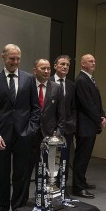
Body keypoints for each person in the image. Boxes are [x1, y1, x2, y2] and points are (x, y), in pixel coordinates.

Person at [0, 44, 41, 211]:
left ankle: (18, 208)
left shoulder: (29, 79)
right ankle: (2, 208)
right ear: (3, 57)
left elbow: (35, 108)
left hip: (23, 136)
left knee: (21, 174)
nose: (15, 62)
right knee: (2, 174)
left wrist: (31, 130)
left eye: (18, 58)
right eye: (12, 58)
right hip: (1, 137)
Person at [73, 54, 106, 199]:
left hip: (90, 124)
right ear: (82, 64)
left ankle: (82, 181)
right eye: (90, 61)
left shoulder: (89, 79)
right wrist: (98, 119)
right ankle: (78, 187)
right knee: (81, 157)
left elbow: (97, 101)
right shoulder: (81, 80)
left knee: (86, 157)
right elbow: (87, 104)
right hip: (84, 125)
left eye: (94, 60)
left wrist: (102, 115)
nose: (94, 63)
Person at [30, 59, 65, 194]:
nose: (46, 71)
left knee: (46, 170)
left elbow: (61, 114)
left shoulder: (56, 87)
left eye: (48, 69)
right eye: (43, 68)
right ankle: (21, 202)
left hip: (49, 136)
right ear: (35, 70)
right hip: (30, 135)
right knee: (25, 170)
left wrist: (57, 134)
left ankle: (43, 197)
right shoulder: (28, 85)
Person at [51, 55, 76, 188]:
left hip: (67, 130)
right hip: (51, 130)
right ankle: (49, 188)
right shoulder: (48, 82)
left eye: (67, 64)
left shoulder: (72, 86)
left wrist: (72, 123)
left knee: (64, 161)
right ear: (55, 66)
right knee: (50, 161)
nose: (65, 66)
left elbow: (74, 108)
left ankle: (62, 189)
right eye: (62, 64)